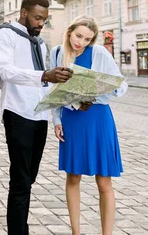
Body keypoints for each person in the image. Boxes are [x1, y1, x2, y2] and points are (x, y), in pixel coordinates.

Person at [0, 0, 73, 234]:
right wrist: (44, 75)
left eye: (44, 20)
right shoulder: (5, 34)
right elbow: (6, 71)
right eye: (38, 18)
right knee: (20, 182)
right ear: (24, 13)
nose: (41, 24)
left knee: (29, 179)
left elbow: (44, 84)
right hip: (17, 114)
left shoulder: (40, 43)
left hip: (40, 116)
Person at [50, 15, 128, 235]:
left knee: (104, 182)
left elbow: (120, 86)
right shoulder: (56, 53)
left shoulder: (99, 53)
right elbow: (54, 90)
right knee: (73, 177)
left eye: (86, 39)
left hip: (98, 119)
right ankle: (76, 232)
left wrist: (96, 91)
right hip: (72, 120)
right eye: (78, 36)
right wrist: (56, 120)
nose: (80, 42)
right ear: (69, 31)